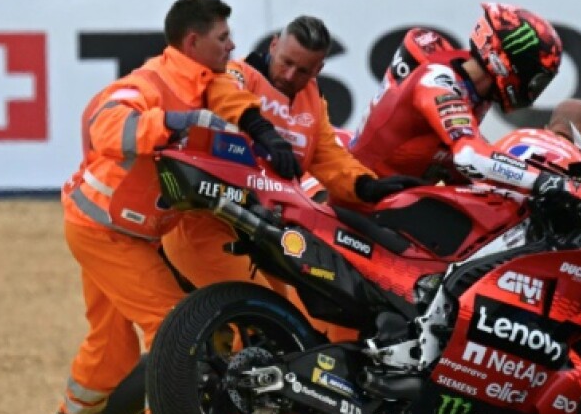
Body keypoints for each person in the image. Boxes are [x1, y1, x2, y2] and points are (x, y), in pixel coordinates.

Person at [37, 0, 297, 414]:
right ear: (193, 41)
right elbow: (106, 126)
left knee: (111, 344)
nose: (233, 45)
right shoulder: (149, 83)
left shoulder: (206, 81)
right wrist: (170, 123)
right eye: (223, 38)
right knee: (173, 321)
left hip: (123, 231)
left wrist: (262, 131)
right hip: (105, 230)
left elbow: (230, 101)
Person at [162, 15, 418, 292]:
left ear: (318, 69)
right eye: (286, 62)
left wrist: (367, 186)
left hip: (264, 233)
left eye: (303, 70)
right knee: (254, 320)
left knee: (289, 324)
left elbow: (330, 158)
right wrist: (262, 130)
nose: (289, 76)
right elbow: (224, 96)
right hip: (207, 223)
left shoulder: (313, 102)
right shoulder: (236, 74)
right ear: (273, 46)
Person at [350, 3, 581, 208]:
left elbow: (464, 165)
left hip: (397, 199)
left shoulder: (476, 92)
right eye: (535, 77)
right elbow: (469, 156)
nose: (534, 88)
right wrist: (545, 182)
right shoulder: (438, 80)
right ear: (508, 62)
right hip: (362, 199)